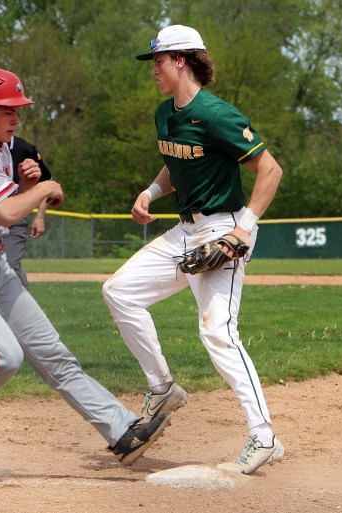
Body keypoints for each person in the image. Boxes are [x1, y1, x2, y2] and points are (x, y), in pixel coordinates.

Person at [0, 67, 169, 469]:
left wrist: (23, 186)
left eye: (18, 110)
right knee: (3, 358)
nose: (17, 117)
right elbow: (3, 213)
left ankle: (121, 430)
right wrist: (41, 189)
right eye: (8, 110)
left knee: (55, 356)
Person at [102, 25, 284, 475]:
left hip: (224, 229)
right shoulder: (166, 113)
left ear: (181, 60)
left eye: (158, 62)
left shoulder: (217, 113)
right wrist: (151, 191)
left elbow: (270, 170)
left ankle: (265, 438)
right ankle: (163, 388)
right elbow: (176, 159)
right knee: (119, 292)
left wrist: (242, 231)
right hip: (184, 232)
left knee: (217, 332)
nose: (154, 72)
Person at [4, 135, 53, 289]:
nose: (14, 120)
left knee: (10, 264)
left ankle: (25, 306)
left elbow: (46, 182)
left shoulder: (24, 148)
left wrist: (40, 216)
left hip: (15, 217)